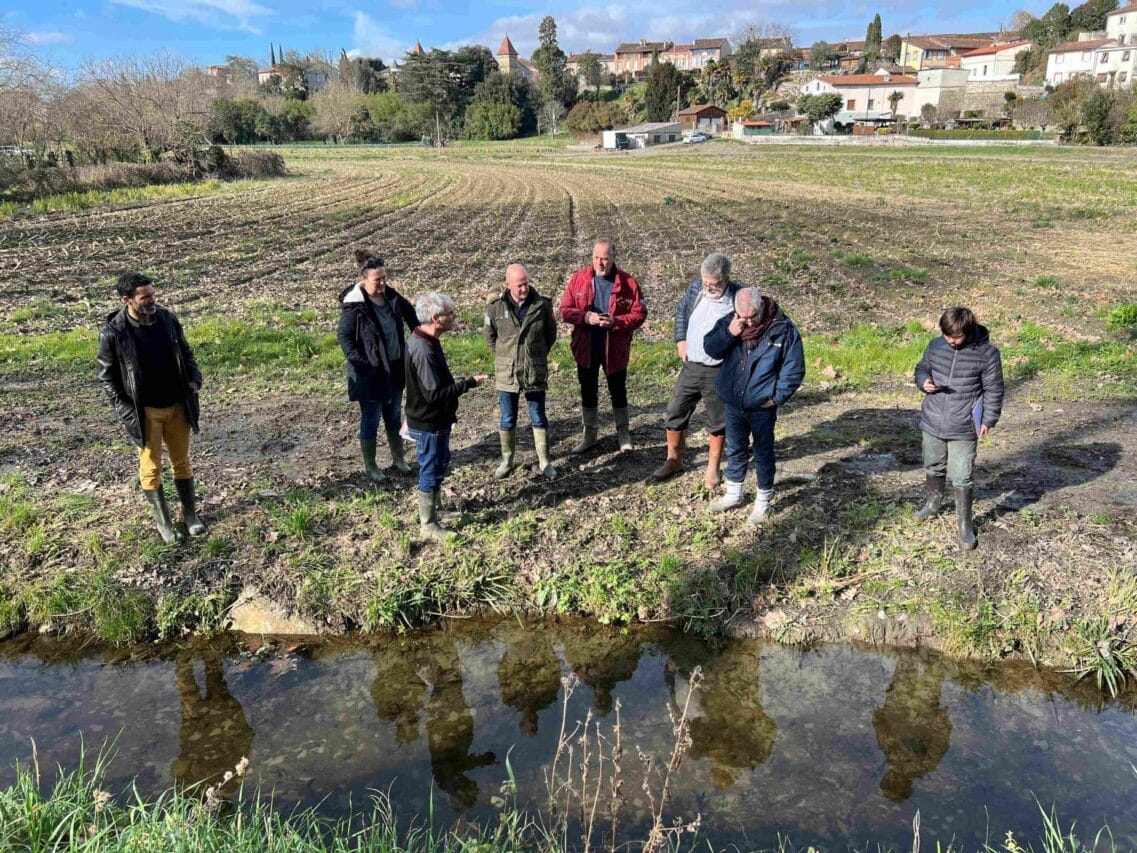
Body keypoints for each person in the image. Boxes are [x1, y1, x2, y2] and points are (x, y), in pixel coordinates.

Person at [96, 271, 205, 543]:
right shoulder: (114, 333)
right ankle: (164, 524)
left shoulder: (167, 319)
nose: (152, 300)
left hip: (178, 404)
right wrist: (128, 411)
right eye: (145, 297)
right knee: (151, 467)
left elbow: (186, 352)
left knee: (182, 462)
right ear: (127, 300)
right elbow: (106, 378)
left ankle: (190, 516)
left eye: (153, 295)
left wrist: (194, 380)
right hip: (145, 413)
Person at [704, 286, 805, 525]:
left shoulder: (783, 330)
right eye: (743, 317)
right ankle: (734, 494)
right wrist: (729, 333)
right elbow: (711, 349)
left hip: (762, 406)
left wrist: (776, 397)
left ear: (762, 308)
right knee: (735, 449)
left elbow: (794, 369)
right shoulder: (731, 322)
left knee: (762, 452)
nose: (748, 323)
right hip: (733, 402)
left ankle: (762, 503)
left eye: (753, 317)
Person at [913, 306, 1004, 549]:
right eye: (947, 336)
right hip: (933, 419)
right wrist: (924, 382)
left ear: (969, 331)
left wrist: (988, 419)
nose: (951, 341)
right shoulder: (935, 346)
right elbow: (922, 368)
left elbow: (994, 390)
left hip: (964, 425)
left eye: (957, 337)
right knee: (933, 464)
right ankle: (933, 504)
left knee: (962, 475)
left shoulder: (987, 354)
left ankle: (964, 524)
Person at [653, 252, 741, 488]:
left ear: (725, 280)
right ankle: (674, 460)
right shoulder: (696, 288)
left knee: (717, 420)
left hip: (718, 369)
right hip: (691, 364)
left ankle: (713, 467)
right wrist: (680, 339)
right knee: (674, 411)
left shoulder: (737, 297)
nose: (708, 288)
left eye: (713, 284)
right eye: (705, 283)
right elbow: (682, 310)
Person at [404, 292, 487, 540]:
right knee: (429, 470)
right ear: (435, 318)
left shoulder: (426, 339)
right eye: (449, 314)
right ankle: (427, 525)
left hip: (436, 420)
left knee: (439, 464)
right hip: (429, 421)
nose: (453, 317)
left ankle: (436, 509)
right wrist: (468, 383)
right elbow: (434, 394)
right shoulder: (423, 350)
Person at [336, 249, 418, 483]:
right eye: (377, 279)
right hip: (370, 373)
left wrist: (421, 340)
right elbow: (344, 337)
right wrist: (361, 366)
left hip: (394, 368)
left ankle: (398, 459)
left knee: (393, 416)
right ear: (364, 279)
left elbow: (411, 316)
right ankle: (371, 466)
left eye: (384, 277)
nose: (382, 282)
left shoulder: (391, 296)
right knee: (371, 418)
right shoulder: (355, 306)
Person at [559, 239, 647, 453]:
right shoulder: (579, 279)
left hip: (614, 348)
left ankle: (623, 433)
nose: (600, 263)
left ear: (613, 259)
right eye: (596, 258)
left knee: (618, 389)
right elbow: (564, 310)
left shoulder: (628, 283)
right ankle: (589, 435)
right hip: (586, 347)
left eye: (605, 259)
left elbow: (639, 314)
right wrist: (585, 317)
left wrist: (616, 322)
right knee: (587, 390)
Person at [484, 263, 558, 480]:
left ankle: (544, 461)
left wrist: (535, 356)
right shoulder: (495, 307)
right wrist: (506, 358)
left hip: (534, 370)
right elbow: (490, 337)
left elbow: (550, 335)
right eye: (519, 286)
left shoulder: (542, 305)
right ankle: (507, 461)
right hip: (506, 373)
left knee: (538, 415)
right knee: (508, 418)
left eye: (526, 284)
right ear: (507, 285)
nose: (524, 289)